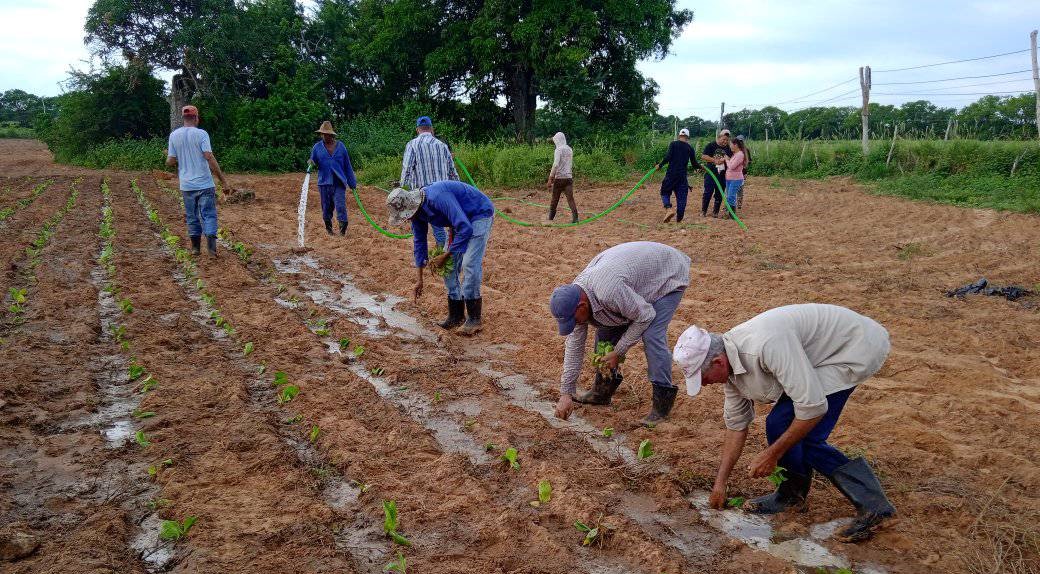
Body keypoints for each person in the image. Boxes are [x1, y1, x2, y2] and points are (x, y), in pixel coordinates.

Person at [673, 304, 895, 543]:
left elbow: (812, 408)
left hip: (852, 348)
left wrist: (772, 454)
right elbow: (736, 426)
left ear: (718, 362)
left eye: (702, 377)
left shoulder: (764, 346)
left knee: (806, 437)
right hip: (819, 353)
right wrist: (721, 482)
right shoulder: (730, 370)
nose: (704, 384)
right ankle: (791, 494)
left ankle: (876, 507)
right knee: (779, 424)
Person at [550, 242, 690, 426]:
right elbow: (574, 347)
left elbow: (645, 315)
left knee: (652, 335)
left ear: (581, 306)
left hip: (667, 274)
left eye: (574, 320)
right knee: (605, 328)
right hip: (631, 278)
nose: (575, 324)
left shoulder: (608, 292)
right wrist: (566, 394)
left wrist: (619, 351)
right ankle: (602, 392)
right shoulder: (575, 298)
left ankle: (661, 405)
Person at [386, 181, 493, 335]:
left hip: (478, 214)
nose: (408, 219)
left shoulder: (437, 198)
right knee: (448, 267)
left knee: (469, 263)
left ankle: (474, 318)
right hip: (458, 222)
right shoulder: (417, 214)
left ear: (412, 207)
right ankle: (456, 316)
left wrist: (446, 255)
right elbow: (419, 242)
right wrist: (419, 280)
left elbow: (465, 227)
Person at [165, 105, 232, 257]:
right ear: (196, 118)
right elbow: (209, 157)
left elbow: (170, 161)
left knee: (192, 216)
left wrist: (170, 157)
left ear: (183, 118)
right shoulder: (202, 134)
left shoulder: (174, 135)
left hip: (187, 185)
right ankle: (211, 250)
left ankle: (195, 249)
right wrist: (223, 180)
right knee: (208, 214)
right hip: (204, 184)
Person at [401, 116, 458, 249]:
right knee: (439, 228)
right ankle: (443, 258)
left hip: (420, 196)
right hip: (442, 196)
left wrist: (402, 194)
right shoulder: (443, 146)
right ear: (431, 129)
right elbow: (453, 174)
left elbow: (406, 172)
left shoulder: (412, 145)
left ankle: (427, 261)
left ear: (417, 130)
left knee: (419, 233)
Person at [307, 121, 357, 236]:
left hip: (338, 182)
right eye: (323, 134)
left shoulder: (341, 147)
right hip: (324, 183)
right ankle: (329, 229)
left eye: (327, 134)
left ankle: (342, 229)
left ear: (332, 135)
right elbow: (312, 160)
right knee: (326, 207)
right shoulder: (317, 147)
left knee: (340, 205)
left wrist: (352, 182)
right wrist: (310, 164)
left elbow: (347, 166)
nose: (325, 136)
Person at [655, 128, 702, 223]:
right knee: (682, 198)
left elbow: (668, 157)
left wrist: (660, 165)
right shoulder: (690, 148)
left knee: (664, 192)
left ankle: (668, 209)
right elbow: (694, 164)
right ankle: (679, 220)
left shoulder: (673, 144)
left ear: (679, 135)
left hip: (671, 175)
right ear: (688, 137)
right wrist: (702, 167)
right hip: (682, 177)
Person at [546, 132, 578, 223]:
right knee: (570, 198)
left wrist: (550, 178)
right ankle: (575, 217)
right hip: (568, 178)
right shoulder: (570, 149)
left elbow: (555, 165)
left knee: (555, 199)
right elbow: (570, 164)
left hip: (559, 179)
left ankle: (550, 218)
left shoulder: (558, 150)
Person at [700, 129, 732, 218]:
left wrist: (724, 160)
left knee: (719, 193)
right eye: (724, 139)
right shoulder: (711, 145)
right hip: (711, 173)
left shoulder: (728, 148)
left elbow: (730, 158)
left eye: (727, 140)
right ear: (719, 137)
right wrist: (715, 160)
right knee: (708, 192)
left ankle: (715, 212)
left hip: (722, 174)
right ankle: (704, 211)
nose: (725, 141)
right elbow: (703, 156)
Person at [722, 136, 748, 219]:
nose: (730, 146)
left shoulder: (740, 155)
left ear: (735, 145)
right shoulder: (735, 154)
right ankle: (729, 213)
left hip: (736, 179)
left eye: (730, 144)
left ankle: (731, 214)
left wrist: (726, 159)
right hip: (730, 178)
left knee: (731, 196)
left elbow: (732, 166)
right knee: (729, 196)